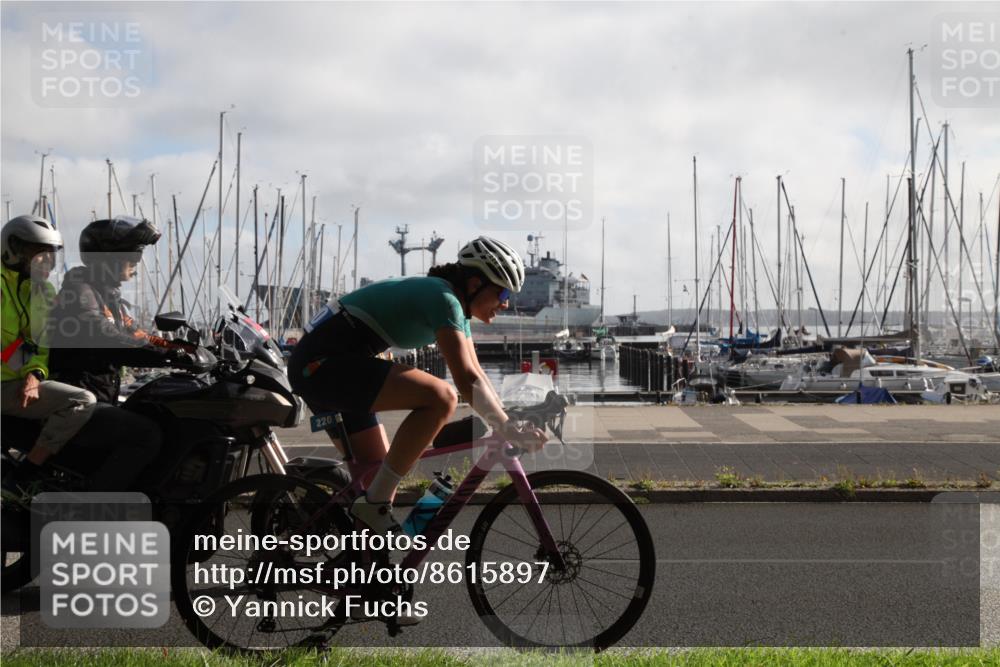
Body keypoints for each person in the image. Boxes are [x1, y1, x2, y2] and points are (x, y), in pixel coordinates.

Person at [289, 236, 547, 534]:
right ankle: (372, 507)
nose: (506, 302)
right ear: (475, 284)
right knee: (441, 397)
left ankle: (364, 555)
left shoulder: (455, 306)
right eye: (503, 292)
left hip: (335, 366)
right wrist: (508, 428)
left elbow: (478, 374)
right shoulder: (444, 299)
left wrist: (507, 419)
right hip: (320, 366)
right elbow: (466, 381)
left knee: (380, 475)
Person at [47, 216, 181, 492]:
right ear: (105, 260)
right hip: (76, 402)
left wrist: (182, 347)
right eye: (132, 255)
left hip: (97, 395)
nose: (137, 262)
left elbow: (139, 335)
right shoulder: (80, 292)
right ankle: (92, 506)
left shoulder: (108, 296)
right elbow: (105, 337)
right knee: (146, 436)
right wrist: (165, 355)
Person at [1, 215, 97, 498]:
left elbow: (38, 346)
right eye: (39, 254)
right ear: (14, 250)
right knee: (81, 401)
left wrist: (34, 375)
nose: (47, 262)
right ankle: (24, 475)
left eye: (51, 255)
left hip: (16, 383)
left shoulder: (44, 292)